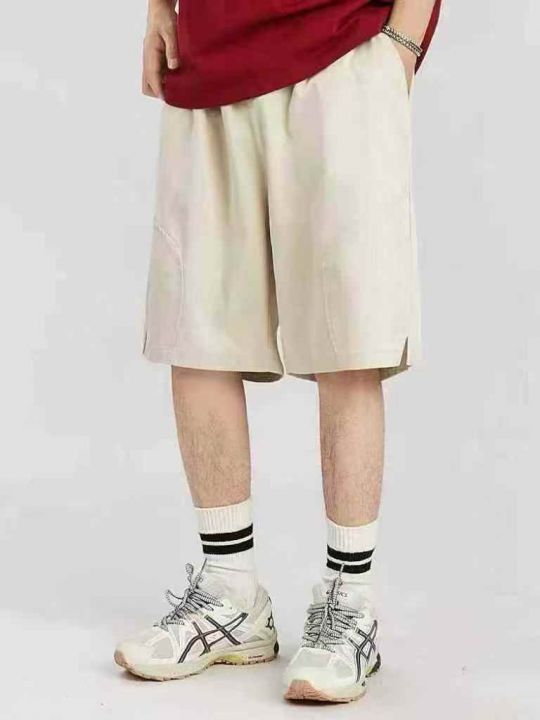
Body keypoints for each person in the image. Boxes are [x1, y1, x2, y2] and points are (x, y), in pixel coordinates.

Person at [114, 0, 441, 703]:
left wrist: (402, 42)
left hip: (343, 43)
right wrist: (159, 9)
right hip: (207, 53)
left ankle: (350, 602)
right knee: (196, 331)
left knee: (349, 337)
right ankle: (230, 593)